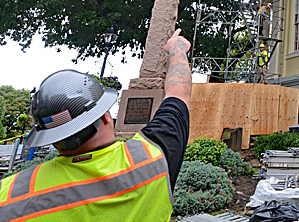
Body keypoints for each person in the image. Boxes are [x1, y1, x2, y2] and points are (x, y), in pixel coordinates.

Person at [0, 29, 192, 222]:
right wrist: (177, 49)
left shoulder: (9, 195)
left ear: (50, 136)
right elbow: (178, 94)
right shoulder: (152, 159)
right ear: (106, 116)